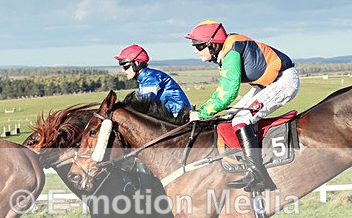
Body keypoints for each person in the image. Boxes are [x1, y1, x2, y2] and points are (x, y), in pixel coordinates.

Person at [186, 20, 300, 192]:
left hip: (283, 81)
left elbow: (229, 93)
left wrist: (202, 115)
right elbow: (221, 90)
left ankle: (259, 174)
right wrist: (203, 110)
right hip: (268, 84)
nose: (196, 51)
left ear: (213, 44)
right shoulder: (226, 50)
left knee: (241, 119)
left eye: (199, 46)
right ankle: (251, 165)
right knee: (229, 117)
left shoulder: (231, 51)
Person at [114, 44, 191, 119]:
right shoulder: (144, 78)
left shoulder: (150, 77)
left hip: (179, 116)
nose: (123, 71)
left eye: (126, 67)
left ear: (137, 63)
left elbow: (143, 103)